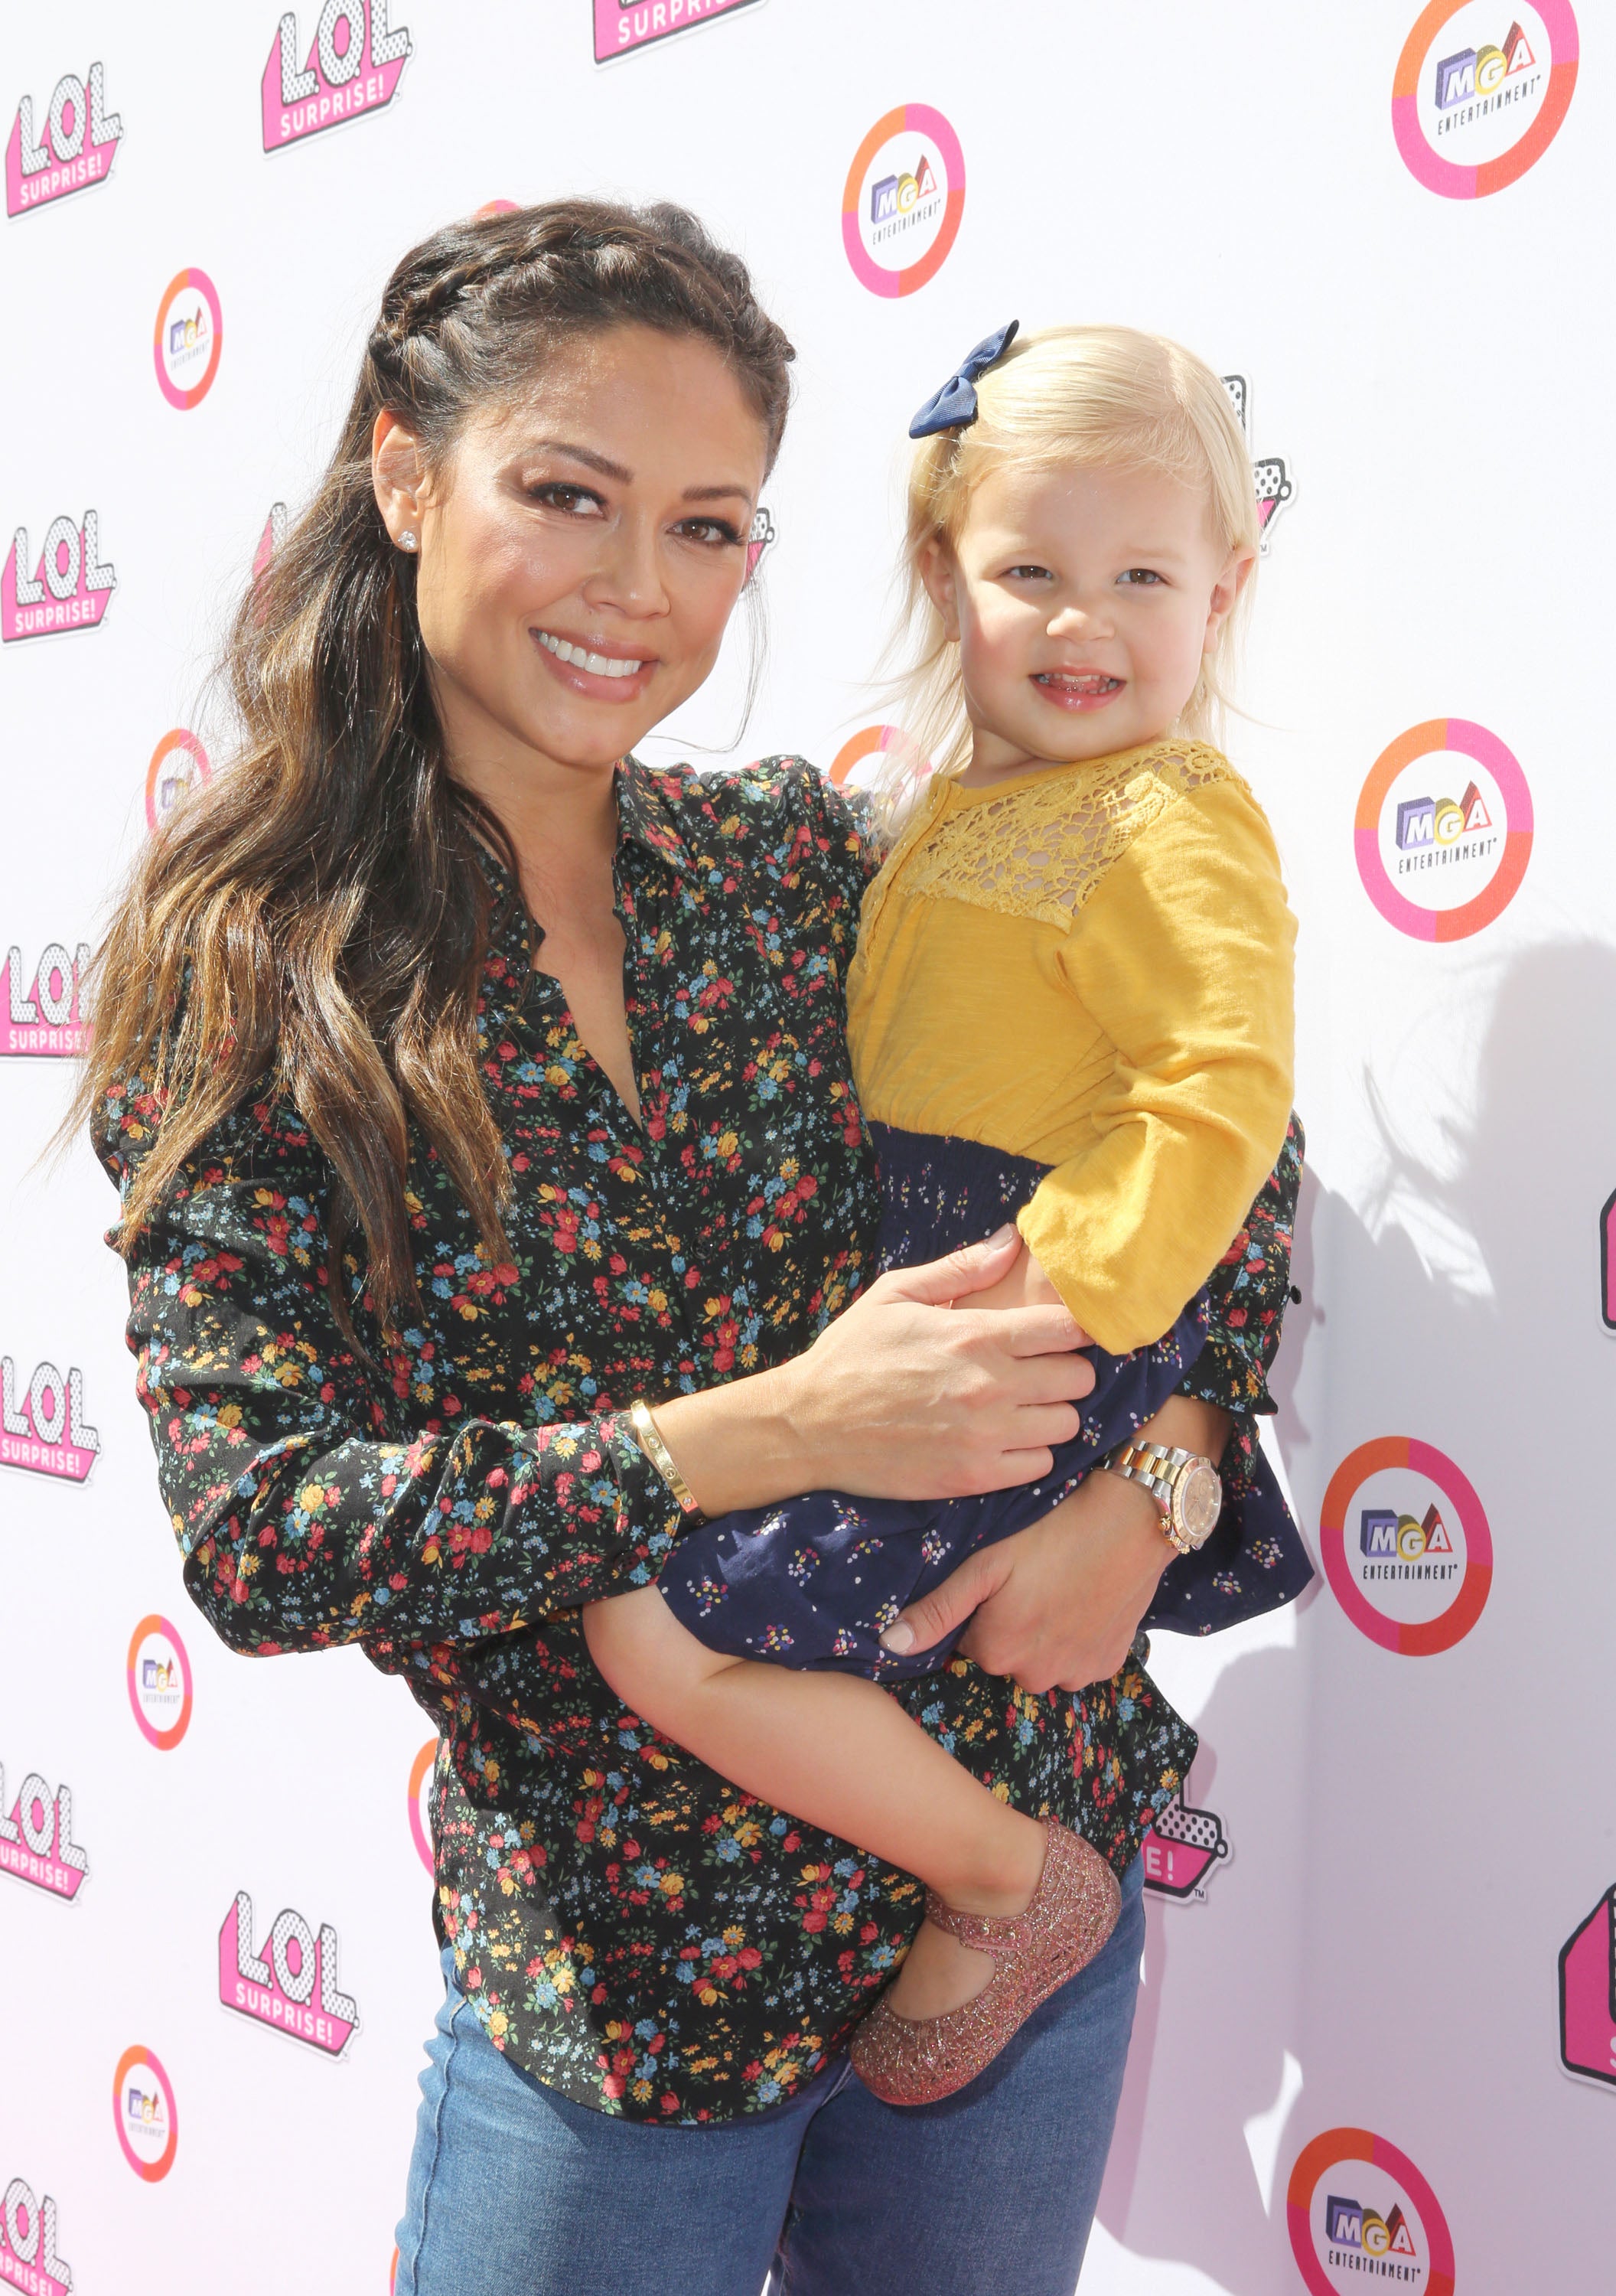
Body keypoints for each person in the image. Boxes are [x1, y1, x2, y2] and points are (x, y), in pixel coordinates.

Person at [77, 202, 1302, 2295]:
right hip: (633, 2001)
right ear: (405, 474)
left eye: (710, 526)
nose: (642, 588)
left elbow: (1222, 1163)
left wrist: (1155, 1484)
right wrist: (757, 1434)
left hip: (1011, 1937)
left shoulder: (800, 867)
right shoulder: (261, 981)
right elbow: (268, 1530)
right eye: (571, 496)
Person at [582, 318, 1309, 2106]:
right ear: (943, 571)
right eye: (1031, 572)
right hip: (937, 1311)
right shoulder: (936, 816)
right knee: (746, 1624)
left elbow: (1224, 1091)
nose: (1083, 622)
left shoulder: (1173, 813)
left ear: (1223, 594)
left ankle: (1002, 1887)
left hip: (1020, 1318)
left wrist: (1066, 1297)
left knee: (653, 1626)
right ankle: (979, 1874)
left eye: (1143, 577)